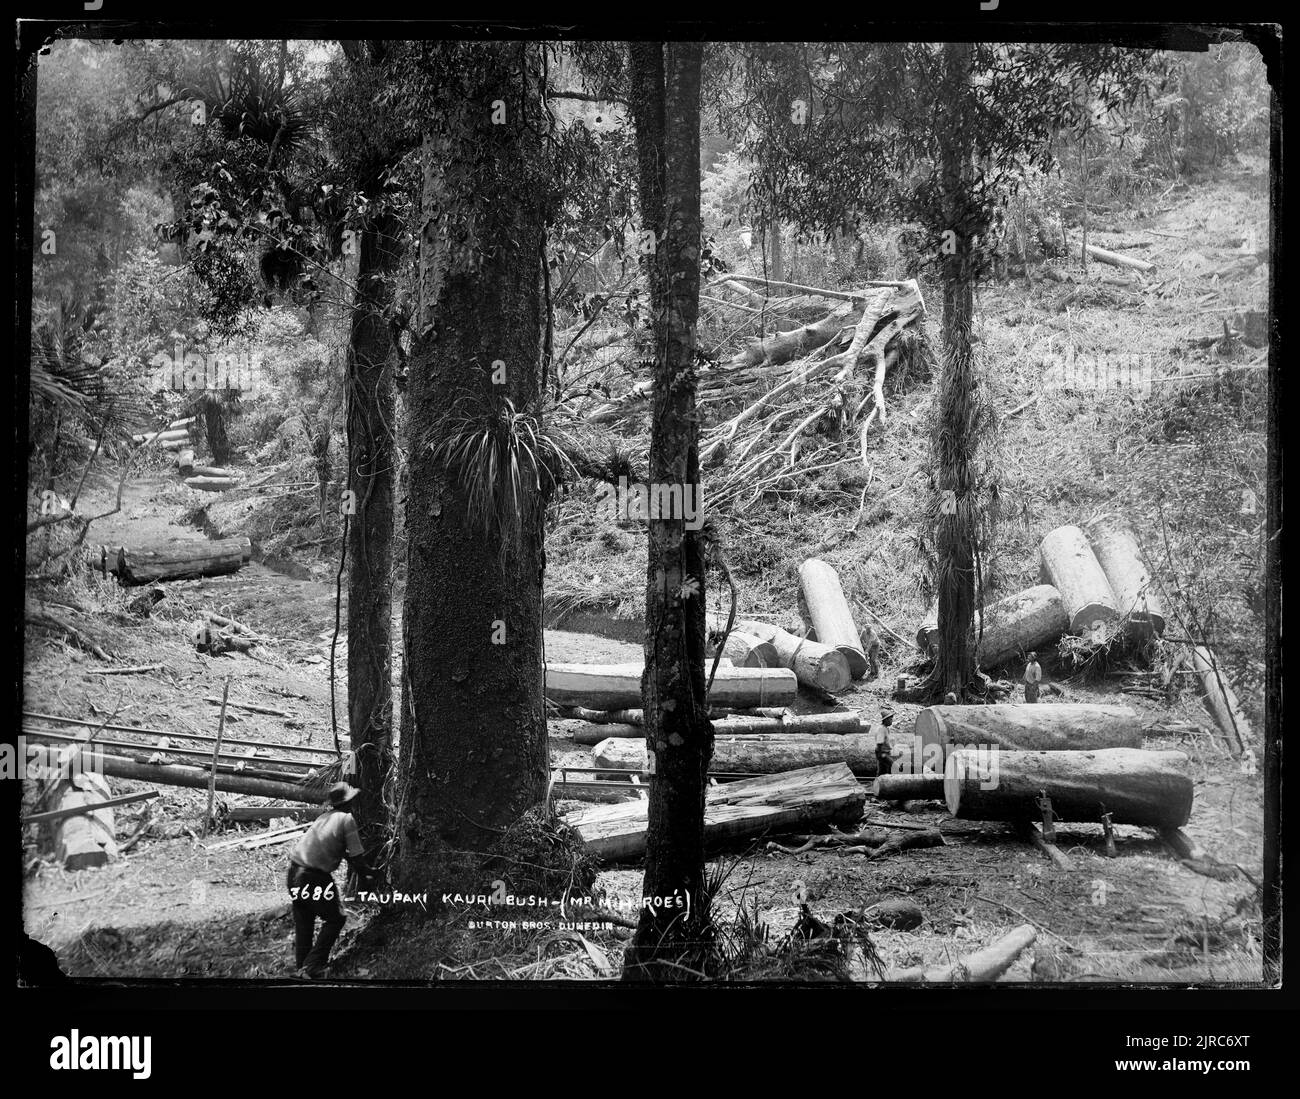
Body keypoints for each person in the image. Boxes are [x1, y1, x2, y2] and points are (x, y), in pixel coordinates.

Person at [286, 782, 373, 979]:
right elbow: (357, 857)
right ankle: (312, 967)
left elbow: (341, 851)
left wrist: (366, 870)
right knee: (336, 918)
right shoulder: (346, 819)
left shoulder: (323, 818)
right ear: (348, 802)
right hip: (313, 877)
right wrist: (368, 875)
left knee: (304, 922)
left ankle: (302, 970)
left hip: (293, 873)